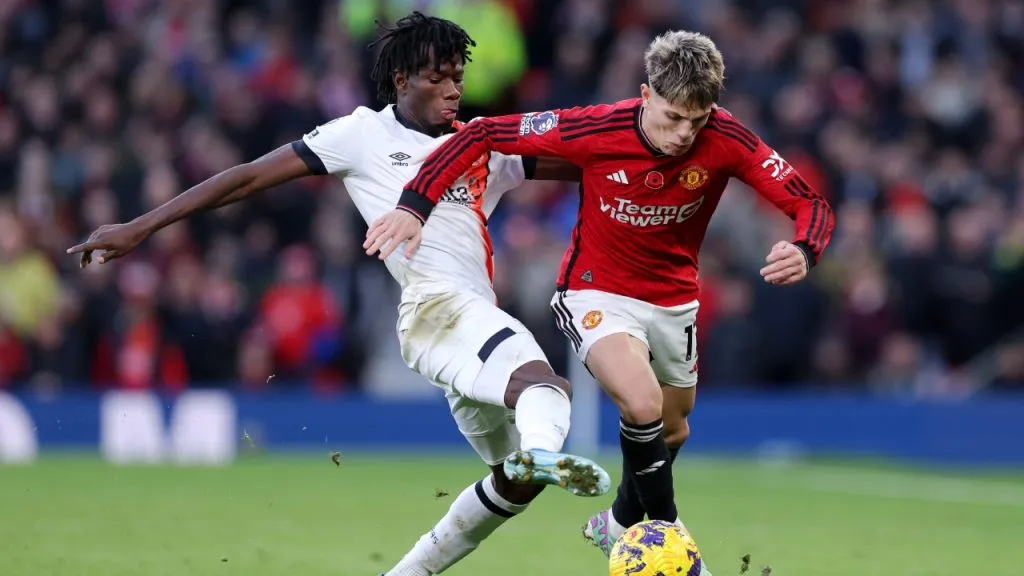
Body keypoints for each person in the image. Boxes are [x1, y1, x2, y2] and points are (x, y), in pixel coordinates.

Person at [66, 12, 611, 576]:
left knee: (514, 483)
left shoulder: (478, 146)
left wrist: (658, 149)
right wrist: (141, 226)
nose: (453, 91)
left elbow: (587, 167)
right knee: (546, 385)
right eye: (437, 78)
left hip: (467, 325)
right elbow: (248, 176)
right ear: (401, 80)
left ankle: (412, 567)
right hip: (435, 309)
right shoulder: (361, 134)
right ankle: (547, 452)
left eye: (458, 78)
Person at [363, 28, 836, 567]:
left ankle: (617, 523)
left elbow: (809, 201)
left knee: (673, 428)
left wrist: (805, 248)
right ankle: (667, 541)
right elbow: (480, 136)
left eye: (697, 120)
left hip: (674, 301)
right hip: (595, 293)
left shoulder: (728, 138)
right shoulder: (595, 127)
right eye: (673, 117)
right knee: (641, 404)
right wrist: (413, 206)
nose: (684, 134)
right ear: (646, 93)